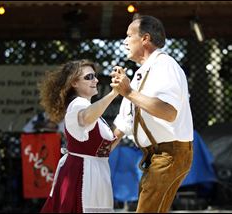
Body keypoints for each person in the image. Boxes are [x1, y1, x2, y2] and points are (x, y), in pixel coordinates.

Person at [110, 15, 194, 213]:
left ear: (145, 39)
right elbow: (123, 124)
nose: (124, 41)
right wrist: (98, 152)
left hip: (170, 153)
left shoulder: (165, 66)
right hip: (157, 155)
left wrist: (129, 92)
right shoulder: (141, 75)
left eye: (129, 36)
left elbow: (168, 112)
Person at [39, 59, 119, 213]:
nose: (95, 80)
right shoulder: (78, 104)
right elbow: (85, 117)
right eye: (89, 77)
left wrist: (124, 123)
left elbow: (104, 149)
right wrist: (114, 93)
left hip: (96, 172)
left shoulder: (90, 108)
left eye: (95, 76)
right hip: (81, 175)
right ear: (74, 82)